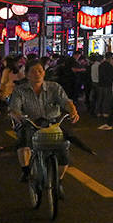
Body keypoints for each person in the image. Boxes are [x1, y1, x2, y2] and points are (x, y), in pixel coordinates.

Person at [11, 58, 80, 190]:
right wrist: (18, 116)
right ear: (26, 74)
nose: (37, 74)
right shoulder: (20, 90)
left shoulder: (54, 87)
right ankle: (26, 171)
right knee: (23, 142)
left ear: (44, 72)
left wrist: (73, 111)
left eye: (40, 70)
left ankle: (58, 181)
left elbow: (66, 101)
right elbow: (14, 109)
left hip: (52, 124)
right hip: (30, 123)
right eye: (33, 71)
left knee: (64, 152)